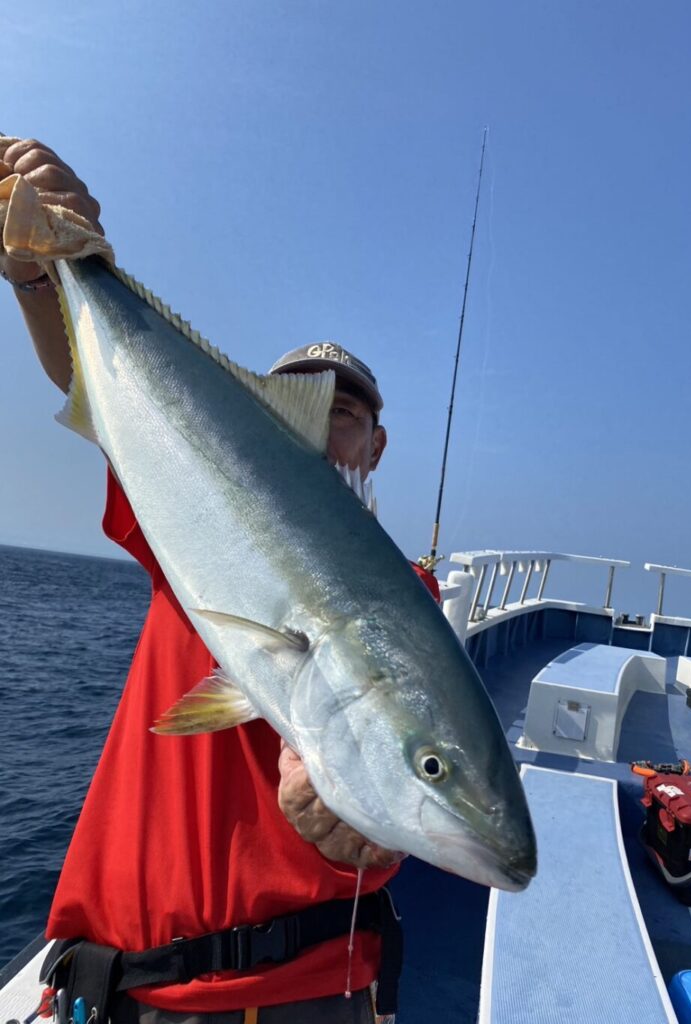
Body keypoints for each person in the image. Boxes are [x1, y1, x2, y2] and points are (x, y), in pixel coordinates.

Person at [0, 139, 440, 1024]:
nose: (320, 429)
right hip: (110, 989)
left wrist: (362, 829)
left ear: (377, 446)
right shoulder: (192, 525)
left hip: (289, 997)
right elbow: (100, 392)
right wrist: (42, 273)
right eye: (293, 405)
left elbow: (405, 780)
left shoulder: (408, 602)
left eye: (343, 413)